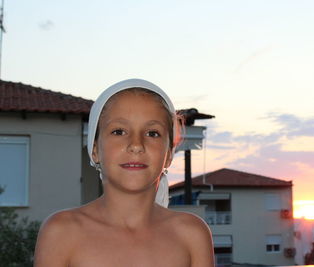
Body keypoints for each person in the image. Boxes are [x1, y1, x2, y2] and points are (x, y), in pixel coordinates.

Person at [34, 79, 215, 267]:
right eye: (119, 131)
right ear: (95, 149)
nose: (136, 145)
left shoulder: (192, 235)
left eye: (152, 133)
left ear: (169, 154)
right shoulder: (61, 232)